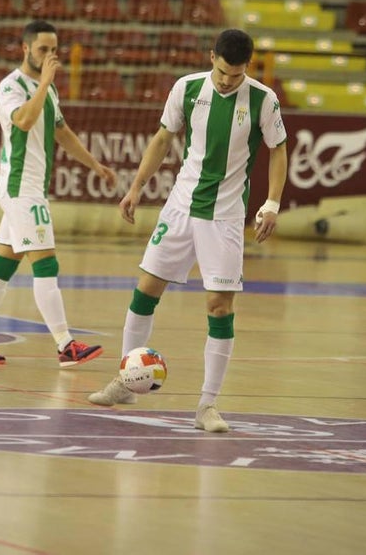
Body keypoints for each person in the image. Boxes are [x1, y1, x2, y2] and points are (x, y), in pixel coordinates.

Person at [88, 29, 288, 433]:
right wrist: (136, 187)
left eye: (235, 75)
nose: (226, 81)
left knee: (219, 306)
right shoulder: (188, 87)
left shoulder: (263, 100)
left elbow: (278, 149)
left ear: (246, 67)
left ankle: (207, 405)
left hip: (226, 217)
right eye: (220, 72)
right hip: (179, 207)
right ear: (211, 57)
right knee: (145, 290)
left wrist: (271, 203)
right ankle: (126, 382)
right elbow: (163, 138)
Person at [0, 20, 116, 367]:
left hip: (31, 188)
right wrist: (44, 83)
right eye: (43, 49)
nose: (49, 56)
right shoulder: (10, 86)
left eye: (54, 50)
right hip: (21, 188)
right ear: (25, 49)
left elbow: (62, 132)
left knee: (1, 268)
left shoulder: (50, 91)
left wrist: (95, 165)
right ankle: (65, 345)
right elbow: (23, 122)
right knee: (46, 263)